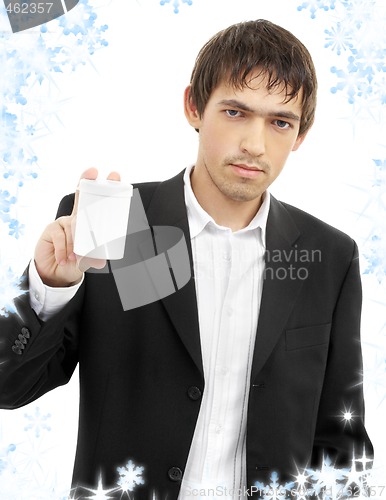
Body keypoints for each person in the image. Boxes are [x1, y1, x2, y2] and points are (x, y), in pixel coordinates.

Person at [0, 19, 373, 499]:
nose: (255, 145)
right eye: (235, 112)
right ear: (194, 106)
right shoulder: (118, 223)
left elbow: (341, 443)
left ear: (300, 134)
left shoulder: (329, 256)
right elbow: (9, 387)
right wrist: (51, 286)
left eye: (280, 121)